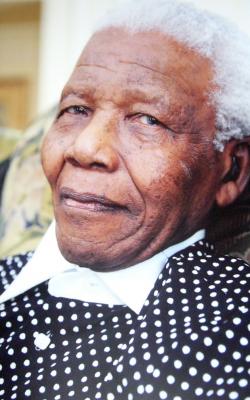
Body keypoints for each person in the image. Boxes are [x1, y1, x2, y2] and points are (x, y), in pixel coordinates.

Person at [0, 0, 250, 399]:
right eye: (76, 109)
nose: (84, 148)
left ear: (231, 170)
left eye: (148, 120)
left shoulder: (235, 321)